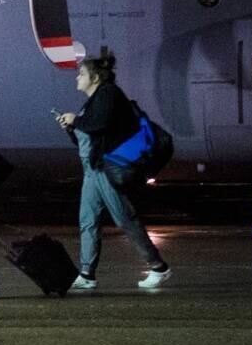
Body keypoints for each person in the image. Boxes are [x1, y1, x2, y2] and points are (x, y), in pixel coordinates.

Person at [56, 52, 172, 290]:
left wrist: (76, 121)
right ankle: (87, 273)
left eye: (82, 74)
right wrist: (71, 127)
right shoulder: (95, 100)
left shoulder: (108, 95)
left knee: (125, 219)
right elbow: (87, 139)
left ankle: (158, 267)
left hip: (106, 170)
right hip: (92, 170)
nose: (77, 78)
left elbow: (100, 125)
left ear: (95, 77)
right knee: (87, 221)